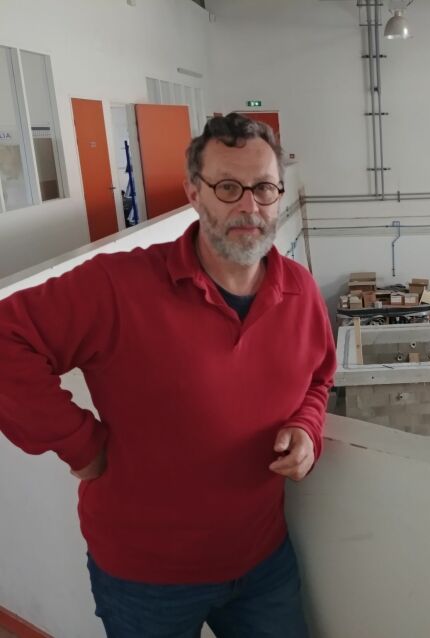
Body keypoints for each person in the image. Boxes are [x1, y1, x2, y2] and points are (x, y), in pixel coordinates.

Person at [0, 113, 337, 637]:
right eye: (228, 187)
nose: (249, 206)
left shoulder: (300, 290)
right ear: (193, 194)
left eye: (264, 188)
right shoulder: (119, 286)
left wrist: (308, 426)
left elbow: (319, 376)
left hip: (262, 562)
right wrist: (78, 443)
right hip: (145, 580)